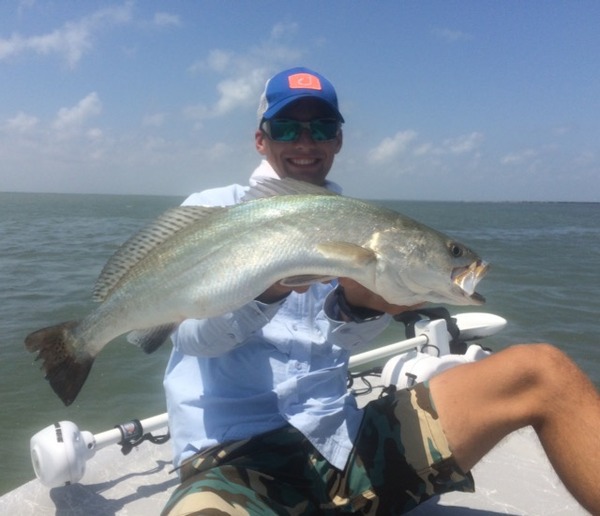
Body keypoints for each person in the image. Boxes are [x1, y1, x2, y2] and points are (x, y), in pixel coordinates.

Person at [162, 67, 600, 515]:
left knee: (544, 371)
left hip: (343, 445)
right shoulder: (213, 212)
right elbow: (193, 341)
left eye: (322, 128)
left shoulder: (360, 224)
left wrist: (360, 309)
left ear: (338, 140)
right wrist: (267, 290)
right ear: (261, 139)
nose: (305, 141)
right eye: (287, 127)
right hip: (234, 459)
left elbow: (339, 344)